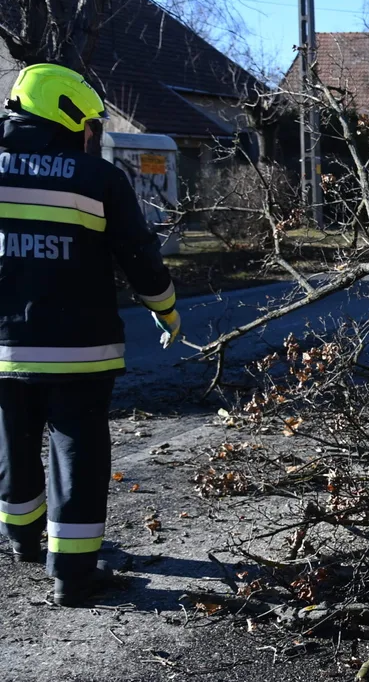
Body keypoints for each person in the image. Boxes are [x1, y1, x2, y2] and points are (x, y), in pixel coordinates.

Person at [0, 63, 181, 606]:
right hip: (79, 346)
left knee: (12, 440)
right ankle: (73, 574)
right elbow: (138, 256)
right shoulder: (95, 178)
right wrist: (167, 310)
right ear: (68, 114)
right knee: (76, 447)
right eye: (89, 124)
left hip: (3, 345)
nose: (91, 134)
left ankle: (22, 540)